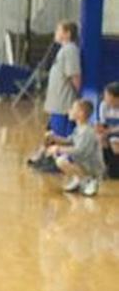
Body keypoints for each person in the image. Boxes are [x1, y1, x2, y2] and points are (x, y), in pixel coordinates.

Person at [27, 20, 81, 169]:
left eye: (59, 30)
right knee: (52, 131)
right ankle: (50, 157)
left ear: (67, 33)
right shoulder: (63, 50)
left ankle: (60, 163)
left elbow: (74, 76)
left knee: (61, 134)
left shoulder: (70, 50)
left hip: (64, 103)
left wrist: (79, 97)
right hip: (57, 102)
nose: (55, 33)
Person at [46, 97, 105, 196]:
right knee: (60, 159)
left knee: (61, 160)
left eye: (73, 108)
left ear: (81, 113)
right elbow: (70, 140)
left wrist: (58, 149)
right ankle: (79, 180)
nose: (69, 111)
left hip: (92, 166)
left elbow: (80, 150)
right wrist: (55, 138)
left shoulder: (86, 131)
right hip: (82, 162)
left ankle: (90, 180)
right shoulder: (79, 128)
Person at [99, 80, 119, 179]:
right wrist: (101, 131)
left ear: (116, 98)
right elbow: (103, 124)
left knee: (115, 144)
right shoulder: (103, 105)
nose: (105, 98)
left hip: (115, 132)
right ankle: (107, 167)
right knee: (101, 139)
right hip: (111, 131)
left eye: (108, 96)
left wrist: (109, 132)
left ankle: (115, 172)